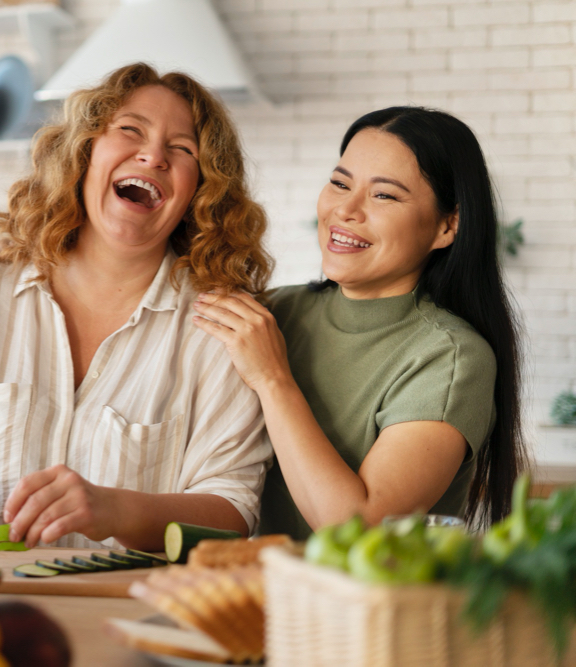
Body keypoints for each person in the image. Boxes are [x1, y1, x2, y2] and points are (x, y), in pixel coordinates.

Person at [0, 63, 275, 549]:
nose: (153, 154)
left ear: (199, 191)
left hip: (126, 614)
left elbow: (232, 510)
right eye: (130, 130)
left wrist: (117, 510)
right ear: (83, 152)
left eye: (182, 149)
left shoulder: (218, 332)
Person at [191, 107, 525, 538]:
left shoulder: (451, 357)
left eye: (383, 195)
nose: (345, 209)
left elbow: (360, 526)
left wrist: (274, 380)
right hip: (258, 595)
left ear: (448, 225)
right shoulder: (275, 312)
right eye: (339, 183)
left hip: (375, 604)